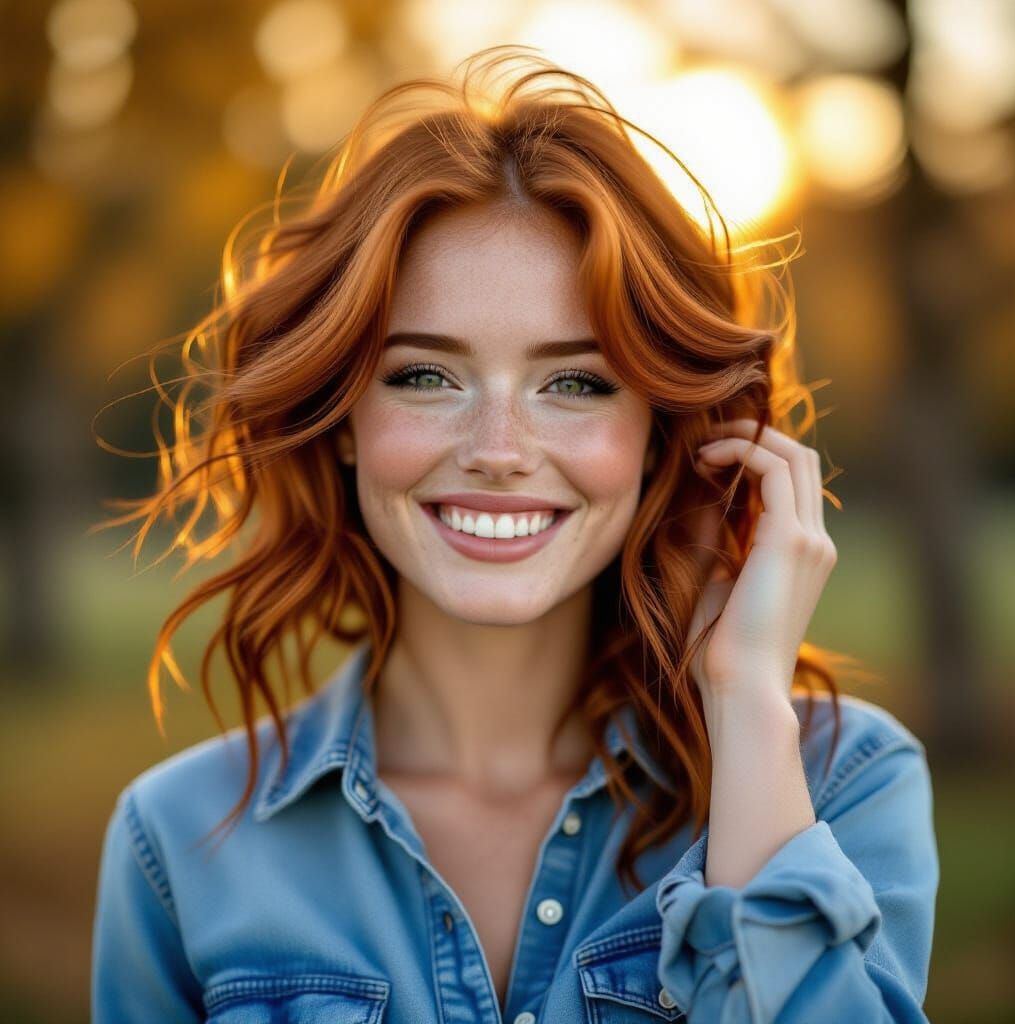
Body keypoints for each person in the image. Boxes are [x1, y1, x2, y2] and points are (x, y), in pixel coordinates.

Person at [90, 46, 939, 1023]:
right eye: (424, 375)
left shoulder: (841, 784)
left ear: (660, 432)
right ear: (342, 420)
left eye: (575, 382)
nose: (498, 451)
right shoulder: (176, 839)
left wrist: (745, 702)